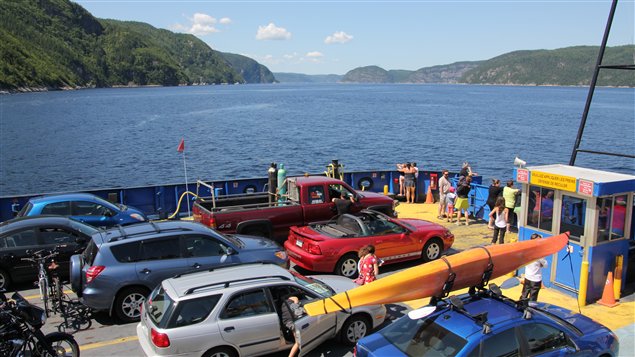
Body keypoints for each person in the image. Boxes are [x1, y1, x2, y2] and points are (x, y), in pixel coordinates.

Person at [520, 234, 548, 301]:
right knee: (533, 297)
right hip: (536, 279)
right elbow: (545, 265)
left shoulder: (527, 251)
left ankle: (520, 306)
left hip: (527, 277)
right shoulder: (539, 253)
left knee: (524, 294)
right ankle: (530, 309)